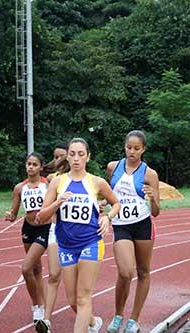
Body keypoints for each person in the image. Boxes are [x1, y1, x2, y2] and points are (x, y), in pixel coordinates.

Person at [36, 138, 121, 333]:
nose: (76, 159)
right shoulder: (57, 182)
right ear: (67, 156)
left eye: (81, 154)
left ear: (88, 157)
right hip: (66, 246)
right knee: (73, 300)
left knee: (83, 297)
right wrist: (58, 203)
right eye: (72, 154)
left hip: (91, 242)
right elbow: (41, 216)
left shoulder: (96, 182)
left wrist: (108, 217)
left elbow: (116, 203)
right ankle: (93, 323)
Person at [106, 130, 160, 333]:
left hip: (142, 225)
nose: (132, 152)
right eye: (129, 147)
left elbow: (156, 212)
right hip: (121, 225)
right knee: (126, 271)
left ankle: (134, 319)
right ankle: (118, 314)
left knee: (143, 271)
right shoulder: (113, 167)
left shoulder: (149, 174)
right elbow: (109, 195)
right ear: (124, 146)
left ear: (143, 149)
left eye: (137, 148)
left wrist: (153, 197)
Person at [5, 153, 49, 323]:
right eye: (28, 164)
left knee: (26, 268)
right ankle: (42, 304)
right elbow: (14, 214)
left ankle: (37, 306)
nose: (31, 167)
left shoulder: (48, 184)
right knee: (36, 269)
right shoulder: (19, 188)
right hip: (28, 229)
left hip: (45, 228)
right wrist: (9, 215)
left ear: (41, 167)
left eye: (34, 164)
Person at [36, 151, 70, 333]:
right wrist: (57, 202)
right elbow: (44, 212)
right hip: (56, 231)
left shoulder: (88, 181)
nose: (57, 160)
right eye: (56, 157)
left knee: (77, 286)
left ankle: (90, 320)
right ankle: (46, 320)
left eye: (61, 157)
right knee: (54, 275)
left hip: (77, 236)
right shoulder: (53, 180)